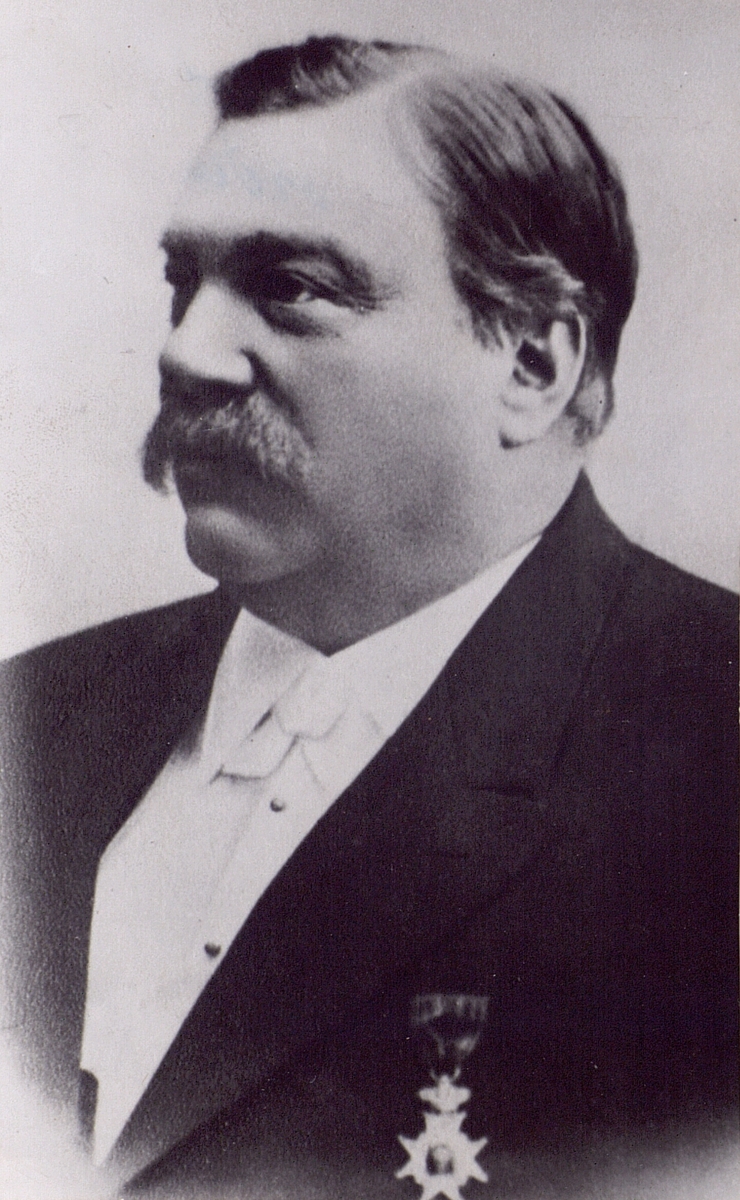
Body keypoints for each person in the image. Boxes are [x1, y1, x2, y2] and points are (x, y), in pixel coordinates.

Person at [0, 35, 736, 1200]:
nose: (186, 351)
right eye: (183, 283)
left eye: (290, 287)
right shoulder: (29, 718)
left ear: (530, 364)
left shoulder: (711, 763)